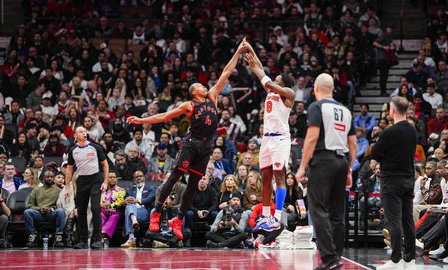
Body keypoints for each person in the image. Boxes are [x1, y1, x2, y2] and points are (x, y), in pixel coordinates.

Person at [127, 39, 247, 239]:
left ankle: (179, 218)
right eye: (200, 85)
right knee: (175, 176)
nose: (204, 85)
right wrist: (141, 120)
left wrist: (237, 51)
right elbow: (164, 116)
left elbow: (226, 72)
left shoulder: (212, 97)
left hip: (207, 147)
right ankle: (156, 211)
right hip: (192, 144)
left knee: (193, 183)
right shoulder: (189, 105)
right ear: (194, 92)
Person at [296, 73, 356, 270]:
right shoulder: (345, 110)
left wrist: (302, 167)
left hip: (323, 160)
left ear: (315, 89)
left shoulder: (316, 107)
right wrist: (349, 168)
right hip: (341, 161)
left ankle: (328, 257)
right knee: (337, 212)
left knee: (317, 209)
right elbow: (353, 143)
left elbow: (312, 137)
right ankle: (336, 257)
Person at [244, 42, 295, 233]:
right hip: (266, 138)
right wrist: (251, 51)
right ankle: (265, 217)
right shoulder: (271, 89)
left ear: (284, 82)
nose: (274, 79)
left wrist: (260, 72)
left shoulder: (288, 93)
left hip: (281, 138)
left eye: (278, 78)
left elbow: (264, 77)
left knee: (279, 176)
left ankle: (277, 217)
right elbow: (259, 70)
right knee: (265, 177)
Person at [371, 96, 417, 270]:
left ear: (393, 110)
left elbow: (374, 153)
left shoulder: (389, 132)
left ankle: (396, 259)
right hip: (408, 178)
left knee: (394, 219)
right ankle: (410, 259)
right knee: (407, 220)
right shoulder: (413, 130)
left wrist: (383, 156)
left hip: (391, 179)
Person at [65, 126, 110, 249]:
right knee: (81, 210)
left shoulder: (95, 147)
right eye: (81, 131)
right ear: (75, 136)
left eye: (85, 131)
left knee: (95, 208)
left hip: (96, 179)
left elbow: (105, 164)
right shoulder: (73, 150)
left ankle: (97, 240)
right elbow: (69, 168)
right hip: (82, 181)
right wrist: (67, 187)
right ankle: (83, 240)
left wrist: (105, 182)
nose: (84, 133)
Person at [24, 171, 66, 248]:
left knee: (61, 211)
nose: (49, 178)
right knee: (27, 212)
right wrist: (39, 209)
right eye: (47, 177)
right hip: (39, 213)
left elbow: (62, 205)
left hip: (52, 214)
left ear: (53, 178)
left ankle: (58, 237)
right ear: (43, 178)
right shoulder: (36, 190)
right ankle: (33, 237)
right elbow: (29, 205)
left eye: (51, 177)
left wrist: (52, 209)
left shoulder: (59, 190)